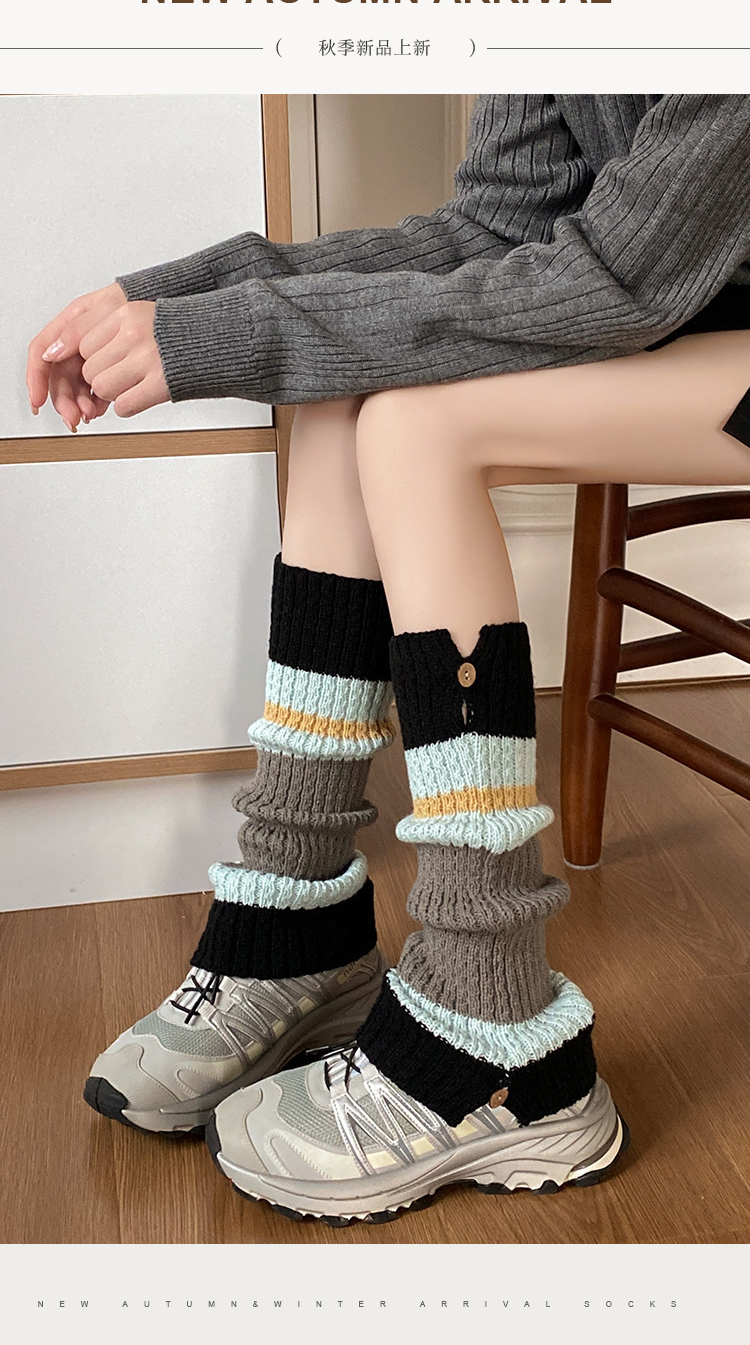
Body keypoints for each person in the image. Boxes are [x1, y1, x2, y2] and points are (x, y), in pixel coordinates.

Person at [27, 94, 750, 1226]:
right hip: (690, 309)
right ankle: (295, 915)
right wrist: (175, 299)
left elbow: (621, 280)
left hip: (677, 306)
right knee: (339, 389)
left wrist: (229, 335)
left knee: (418, 427)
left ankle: (500, 1029)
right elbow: (493, 228)